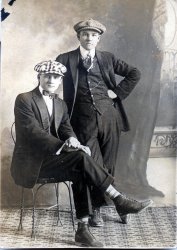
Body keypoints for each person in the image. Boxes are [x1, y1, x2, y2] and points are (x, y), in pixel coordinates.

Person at [11, 60, 152, 247]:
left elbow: (66, 129)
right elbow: (32, 132)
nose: (52, 80)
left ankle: (83, 229)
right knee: (80, 159)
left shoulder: (60, 104)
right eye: (48, 76)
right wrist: (66, 146)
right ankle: (118, 198)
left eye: (56, 77)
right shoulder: (24, 99)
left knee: (81, 164)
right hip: (30, 165)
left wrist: (75, 141)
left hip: (53, 160)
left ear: (60, 80)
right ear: (39, 78)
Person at [56, 18, 141, 227]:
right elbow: (51, 81)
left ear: (99, 38)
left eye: (94, 35)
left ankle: (106, 207)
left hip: (109, 118)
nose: (89, 38)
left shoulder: (107, 58)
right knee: (94, 164)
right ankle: (98, 210)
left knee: (109, 164)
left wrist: (117, 93)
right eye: (85, 34)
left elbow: (134, 73)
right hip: (82, 121)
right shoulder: (65, 59)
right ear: (78, 36)